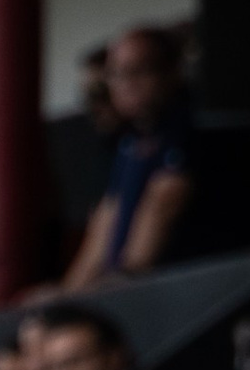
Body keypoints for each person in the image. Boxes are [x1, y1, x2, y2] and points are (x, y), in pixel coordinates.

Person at [64, 22, 193, 285]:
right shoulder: (127, 141)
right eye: (116, 74)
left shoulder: (190, 126)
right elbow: (107, 218)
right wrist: (68, 295)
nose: (126, 84)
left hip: (177, 285)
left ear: (171, 72)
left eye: (138, 71)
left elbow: (163, 203)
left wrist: (122, 282)